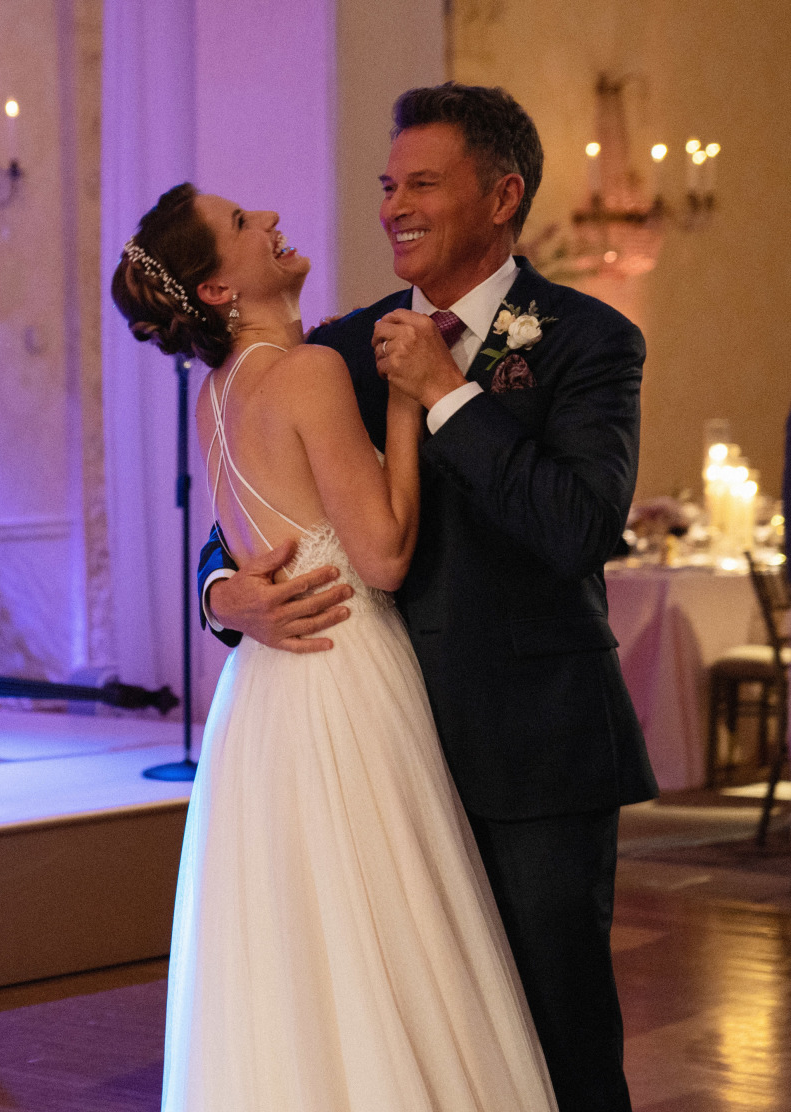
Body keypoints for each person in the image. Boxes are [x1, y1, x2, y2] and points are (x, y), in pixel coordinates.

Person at [201, 83, 659, 1112]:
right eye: (385, 185)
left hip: (530, 747)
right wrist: (225, 595)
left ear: (502, 197)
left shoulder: (588, 340)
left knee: (555, 1028)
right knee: (419, 1039)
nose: (391, 206)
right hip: (375, 753)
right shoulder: (340, 346)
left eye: (421, 183)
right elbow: (247, 507)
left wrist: (446, 397)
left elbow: (578, 526)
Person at [112, 182, 559, 1111]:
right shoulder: (311, 370)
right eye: (241, 224)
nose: (271, 217)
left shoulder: (217, 399)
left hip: (265, 701)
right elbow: (386, 556)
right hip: (346, 670)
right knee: (385, 931)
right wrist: (407, 400)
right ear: (218, 291)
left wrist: (231, 593)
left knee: (300, 952)